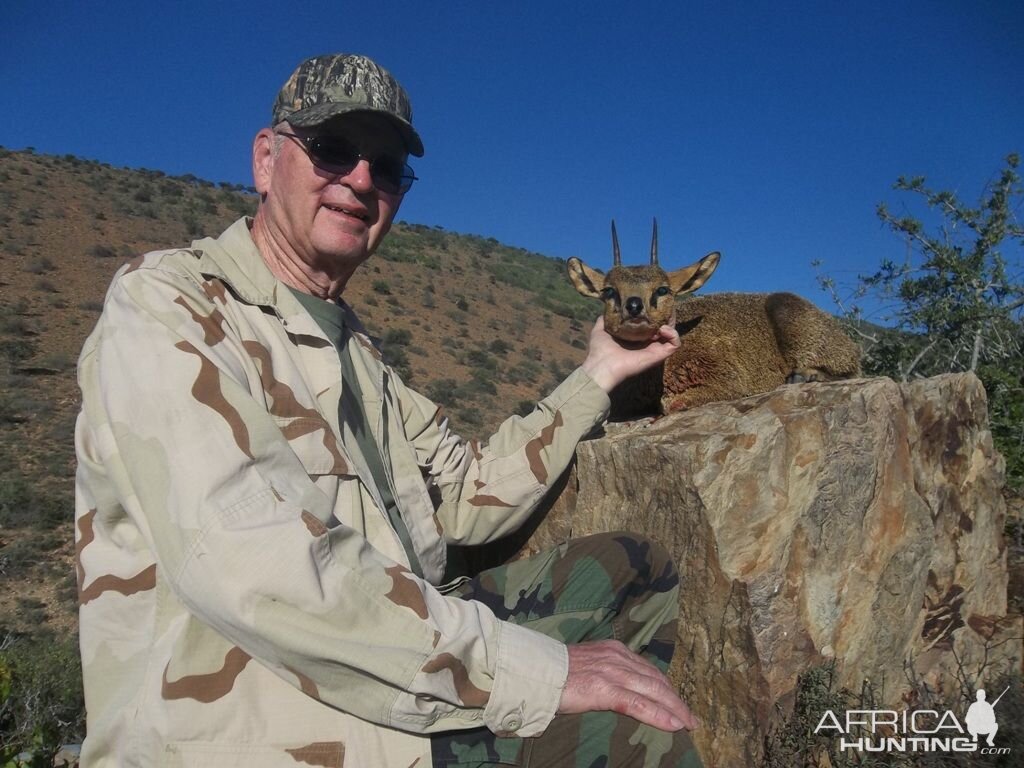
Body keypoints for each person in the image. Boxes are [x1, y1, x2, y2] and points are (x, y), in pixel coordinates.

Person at [74, 53, 703, 767]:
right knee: (639, 740)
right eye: (332, 149)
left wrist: (600, 372)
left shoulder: (357, 353)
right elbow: (256, 567)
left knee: (635, 566)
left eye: (389, 165)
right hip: (278, 725)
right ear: (265, 158)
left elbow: (466, 497)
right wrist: (534, 673)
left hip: (400, 645)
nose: (362, 180)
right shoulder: (169, 307)